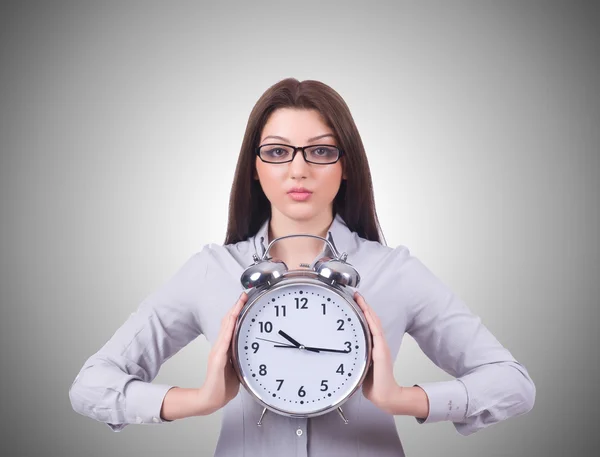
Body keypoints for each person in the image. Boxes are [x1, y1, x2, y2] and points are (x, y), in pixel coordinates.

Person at [69, 78, 536, 456]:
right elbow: (90, 385)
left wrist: (403, 398)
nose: (298, 171)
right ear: (254, 167)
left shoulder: (395, 272)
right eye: (277, 152)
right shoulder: (211, 271)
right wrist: (197, 401)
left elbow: (513, 384)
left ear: (345, 164)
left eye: (320, 150)